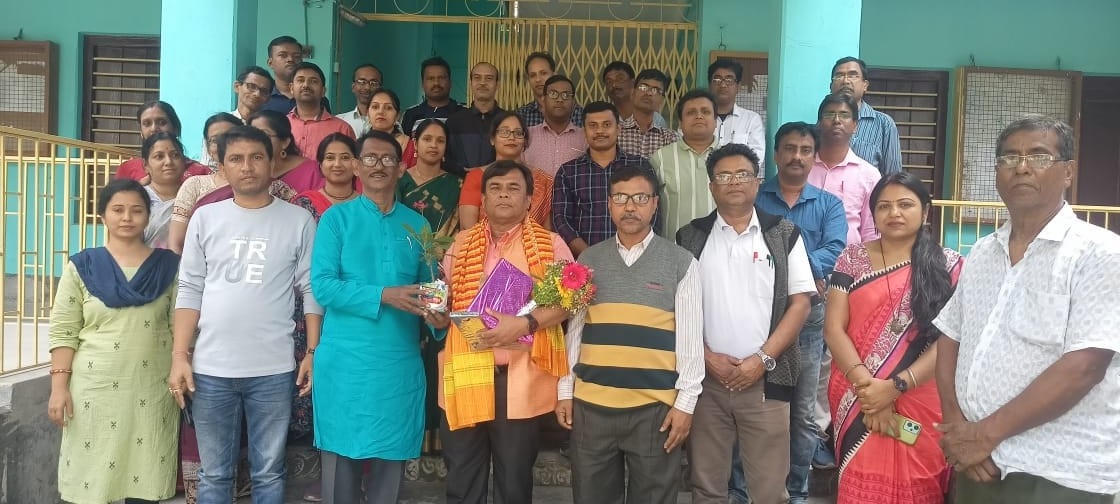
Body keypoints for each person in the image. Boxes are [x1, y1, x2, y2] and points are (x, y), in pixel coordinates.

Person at [933, 116, 1120, 503]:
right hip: (977, 465)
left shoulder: (1099, 254)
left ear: (1068, 172)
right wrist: (956, 426)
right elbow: (951, 337)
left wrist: (984, 435)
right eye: (1008, 157)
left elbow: (1084, 367)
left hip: (1056, 473)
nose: (1021, 167)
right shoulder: (983, 252)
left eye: (1038, 156)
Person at [167, 126, 322, 503]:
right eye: (236, 159)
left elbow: (311, 289)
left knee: (268, 472)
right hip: (211, 370)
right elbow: (189, 288)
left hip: (273, 370)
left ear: (273, 163)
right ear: (221, 166)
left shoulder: (298, 220)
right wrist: (180, 357)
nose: (247, 166)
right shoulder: (205, 218)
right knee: (215, 474)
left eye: (256, 157)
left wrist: (312, 353)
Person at [311, 129, 450, 504]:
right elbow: (323, 286)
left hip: (396, 363)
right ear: (356, 167)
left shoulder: (418, 226)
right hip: (345, 363)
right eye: (369, 158)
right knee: (341, 458)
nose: (378, 166)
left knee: (390, 459)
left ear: (401, 169)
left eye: (388, 159)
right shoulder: (336, 220)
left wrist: (437, 320)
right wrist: (384, 295)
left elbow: (429, 290)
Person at [676, 143, 815, 504]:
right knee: (706, 486)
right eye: (724, 176)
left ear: (757, 182)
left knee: (769, 491)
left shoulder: (784, 234)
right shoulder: (690, 237)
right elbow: (678, 310)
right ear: (711, 186)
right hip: (707, 382)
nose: (734, 182)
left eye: (742, 174)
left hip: (765, 382)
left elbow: (800, 304)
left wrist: (761, 360)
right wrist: (707, 358)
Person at [558, 165, 703, 504]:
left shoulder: (681, 262)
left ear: (654, 204)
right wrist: (566, 390)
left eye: (640, 198)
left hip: (654, 411)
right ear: (609, 204)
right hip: (591, 407)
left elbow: (690, 341)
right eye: (621, 198)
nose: (630, 207)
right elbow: (575, 332)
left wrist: (685, 404)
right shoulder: (588, 259)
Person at [439, 160, 574, 504]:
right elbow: (446, 304)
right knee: (461, 479)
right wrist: (435, 312)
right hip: (464, 372)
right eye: (495, 188)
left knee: (514, 483)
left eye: (513, 188)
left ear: (529, 200)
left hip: (518, 379)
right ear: (483, 199)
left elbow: (570, 303)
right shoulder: (460, 244)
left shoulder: (550, 244)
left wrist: (526, 323)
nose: (503, 195)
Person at [825, 171, 963, 503]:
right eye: (884, 206)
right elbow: (833, 329)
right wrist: (869, 391)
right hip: (857, 393)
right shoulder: (852, 259)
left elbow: (951, 338)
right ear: (873, 214)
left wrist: (893, 387)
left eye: (905, 205)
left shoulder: (950, 265)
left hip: (921, 393)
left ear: (925, 211)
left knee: (919, 484)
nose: (894, 213)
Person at [47, 179, 181, 504]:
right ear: (103, 216)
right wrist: (59, 388)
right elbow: (64, 330)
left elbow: (180, 327)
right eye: (118, 210)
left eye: (136, 210)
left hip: (151, 389)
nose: (127, 217)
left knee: (145, 477)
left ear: (148, 216)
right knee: (91, 481)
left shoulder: (168, 267)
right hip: (94, 391)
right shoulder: (83, 266)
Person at [754, 122, 848, 504]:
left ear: (814, 156)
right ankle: (750, 489)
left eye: (805, 150)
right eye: (789, 148)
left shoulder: (829, 205)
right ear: (776, 155)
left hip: (808, 319)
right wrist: (803, 271)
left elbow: (835, 248)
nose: (797, 156)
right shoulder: (756, 199)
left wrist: (793, 266)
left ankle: (797, 492)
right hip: (760, 315)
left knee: (802, 413)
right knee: (757, 407)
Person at [166, 113, 296, 254]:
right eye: (215, 140)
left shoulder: (276, 188)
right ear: (208, 147)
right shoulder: (194, 186)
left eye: (230, 135)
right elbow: (176, 244)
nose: (223, 143)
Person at [553, 101, 660, 256]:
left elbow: (654, 212)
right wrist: (590, 255)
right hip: (584, 261)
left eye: (607, 125)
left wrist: (633, 251)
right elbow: (561, 220)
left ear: (618, 129)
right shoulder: (568, 172)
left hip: (636, 257)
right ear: (584, 131)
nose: (600, 131)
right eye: (593, 126)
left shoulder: (640, 166)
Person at [459, 111, 554, 230]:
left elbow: (547, 232)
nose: (511, 137)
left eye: (518, 133)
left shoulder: (544, 181)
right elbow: (468, 228)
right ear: (492, 139)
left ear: (524, 141)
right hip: (483, 241)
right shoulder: (476, 177)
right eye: (504, 132)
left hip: (534, 241)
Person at [810, 93, 880, 246]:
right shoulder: (804, 168)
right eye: (829, 114)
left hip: (849, 258)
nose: (836, 120)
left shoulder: (869, 175)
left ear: (855, 126)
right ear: (819, 123)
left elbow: (870, 232)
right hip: (802, 257)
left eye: (844, 115)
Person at [649, 88, 720, 237]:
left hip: (721, 246)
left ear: (715, 121)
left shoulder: (731, 158)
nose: (699, 116)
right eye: (691, 112)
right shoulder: (660, 158)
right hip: (674, 246)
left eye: (705, 112)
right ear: (680, 123)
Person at [829, 56, 901, 175]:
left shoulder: (884, 124)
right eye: (839, 76)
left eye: (853, 75)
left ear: (865, 85)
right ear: (831, 86)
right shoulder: (824, 122)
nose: (845, 81)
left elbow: (893, 176)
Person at [399, 119, 465, 238]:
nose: (433, 145)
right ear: (415, 144)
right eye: (427, 139)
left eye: (440, 141)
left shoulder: (457, 184)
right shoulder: (399, 180)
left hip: (446, 249)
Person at [114, 100, 209, 182]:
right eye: (147, 124)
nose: (154, 129)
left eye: (162, 122)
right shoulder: (127, 169)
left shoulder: (201, 173)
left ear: (175, 128)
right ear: (141, 132)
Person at [199, 66, 276, 166]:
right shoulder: (219, 124)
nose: (257, 94)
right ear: (237, 86)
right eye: (251, 86)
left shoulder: (269, 128)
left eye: (264, 91)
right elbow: (206, 164)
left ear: (268, 98)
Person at [521, 74, 587, 177]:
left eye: (566, 95)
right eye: (553, 94)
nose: (559, 99)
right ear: (543, 100)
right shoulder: (527, 135)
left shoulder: (584, 137)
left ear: (573, 103)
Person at [287, 62, 355, 157]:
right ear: (291, 88)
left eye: (313, 81)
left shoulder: (342, 128)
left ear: (323, 91)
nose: (306, 85)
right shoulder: (281, 125)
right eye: (300, 80)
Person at [249, 109, 324, 193]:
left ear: (285, 142)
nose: (255, 141)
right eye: (251, 135)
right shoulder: (245, 169)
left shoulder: (312, 171)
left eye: (264, 135)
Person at [708, 59, 766, 165]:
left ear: (738, 86)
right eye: (717, 79)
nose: (723, 85)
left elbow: (756, 159)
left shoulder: (752, 119)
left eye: (729, 80)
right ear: (710, 85)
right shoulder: (701, 119)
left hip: (739, 175)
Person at [447, 62, 504, 170]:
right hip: (461, 179)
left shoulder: (506, 120)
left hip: (498, 179)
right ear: (471, 83)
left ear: (497, 84)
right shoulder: (454, 121)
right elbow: (448, 159)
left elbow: (512, 158)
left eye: (489, 78)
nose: (482, 83)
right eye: (477, 78)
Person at [291, 133, 361, 221]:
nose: (337, 164)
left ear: (356, 164)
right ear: (321, 165)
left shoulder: (369, 204)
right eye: (330, 158)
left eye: (345, 157)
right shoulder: (305, 203)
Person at [140, 132, 188, 249]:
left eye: (175, 155)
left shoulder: (194, 197)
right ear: (146, 165)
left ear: (184, 161)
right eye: (159, 156)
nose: (168, 162)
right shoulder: (138, 199)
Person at [261, 35, 331, 114]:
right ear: (270, 63)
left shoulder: (317, 98)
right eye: (283, 55)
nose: (290, 59)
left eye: (296, 56)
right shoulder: (262, 97)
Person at [617, 68, 678, 157]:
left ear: (662, 99)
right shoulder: (616, 133)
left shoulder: (670, 138)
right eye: (643, 87)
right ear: (633, 93)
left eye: (655, 90)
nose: (649, 93)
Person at [517, 52, 584, 128]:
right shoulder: (521, 116)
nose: (538, 79)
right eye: (533, 75)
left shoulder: (579, 115)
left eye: (543, 73)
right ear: (528, 79)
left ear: (554, 75)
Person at [401, 56, 463, 135]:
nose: (436, 83)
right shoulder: (410, 114)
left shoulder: (464, 113)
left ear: (450, 82)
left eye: (441, 78)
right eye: (431, 78)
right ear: (422, 84)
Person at [601, 60, 667, 129]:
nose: (614, 85)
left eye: (620, 78)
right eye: (609, 81)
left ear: (633, 83)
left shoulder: (656, 120)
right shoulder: (603, 117)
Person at [339, 63, 383, 137]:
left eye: (373, 83)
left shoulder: (390, 123)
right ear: (353, 87)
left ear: (380, 89)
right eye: (362, 82)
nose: (367, 87)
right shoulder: (340, 121)